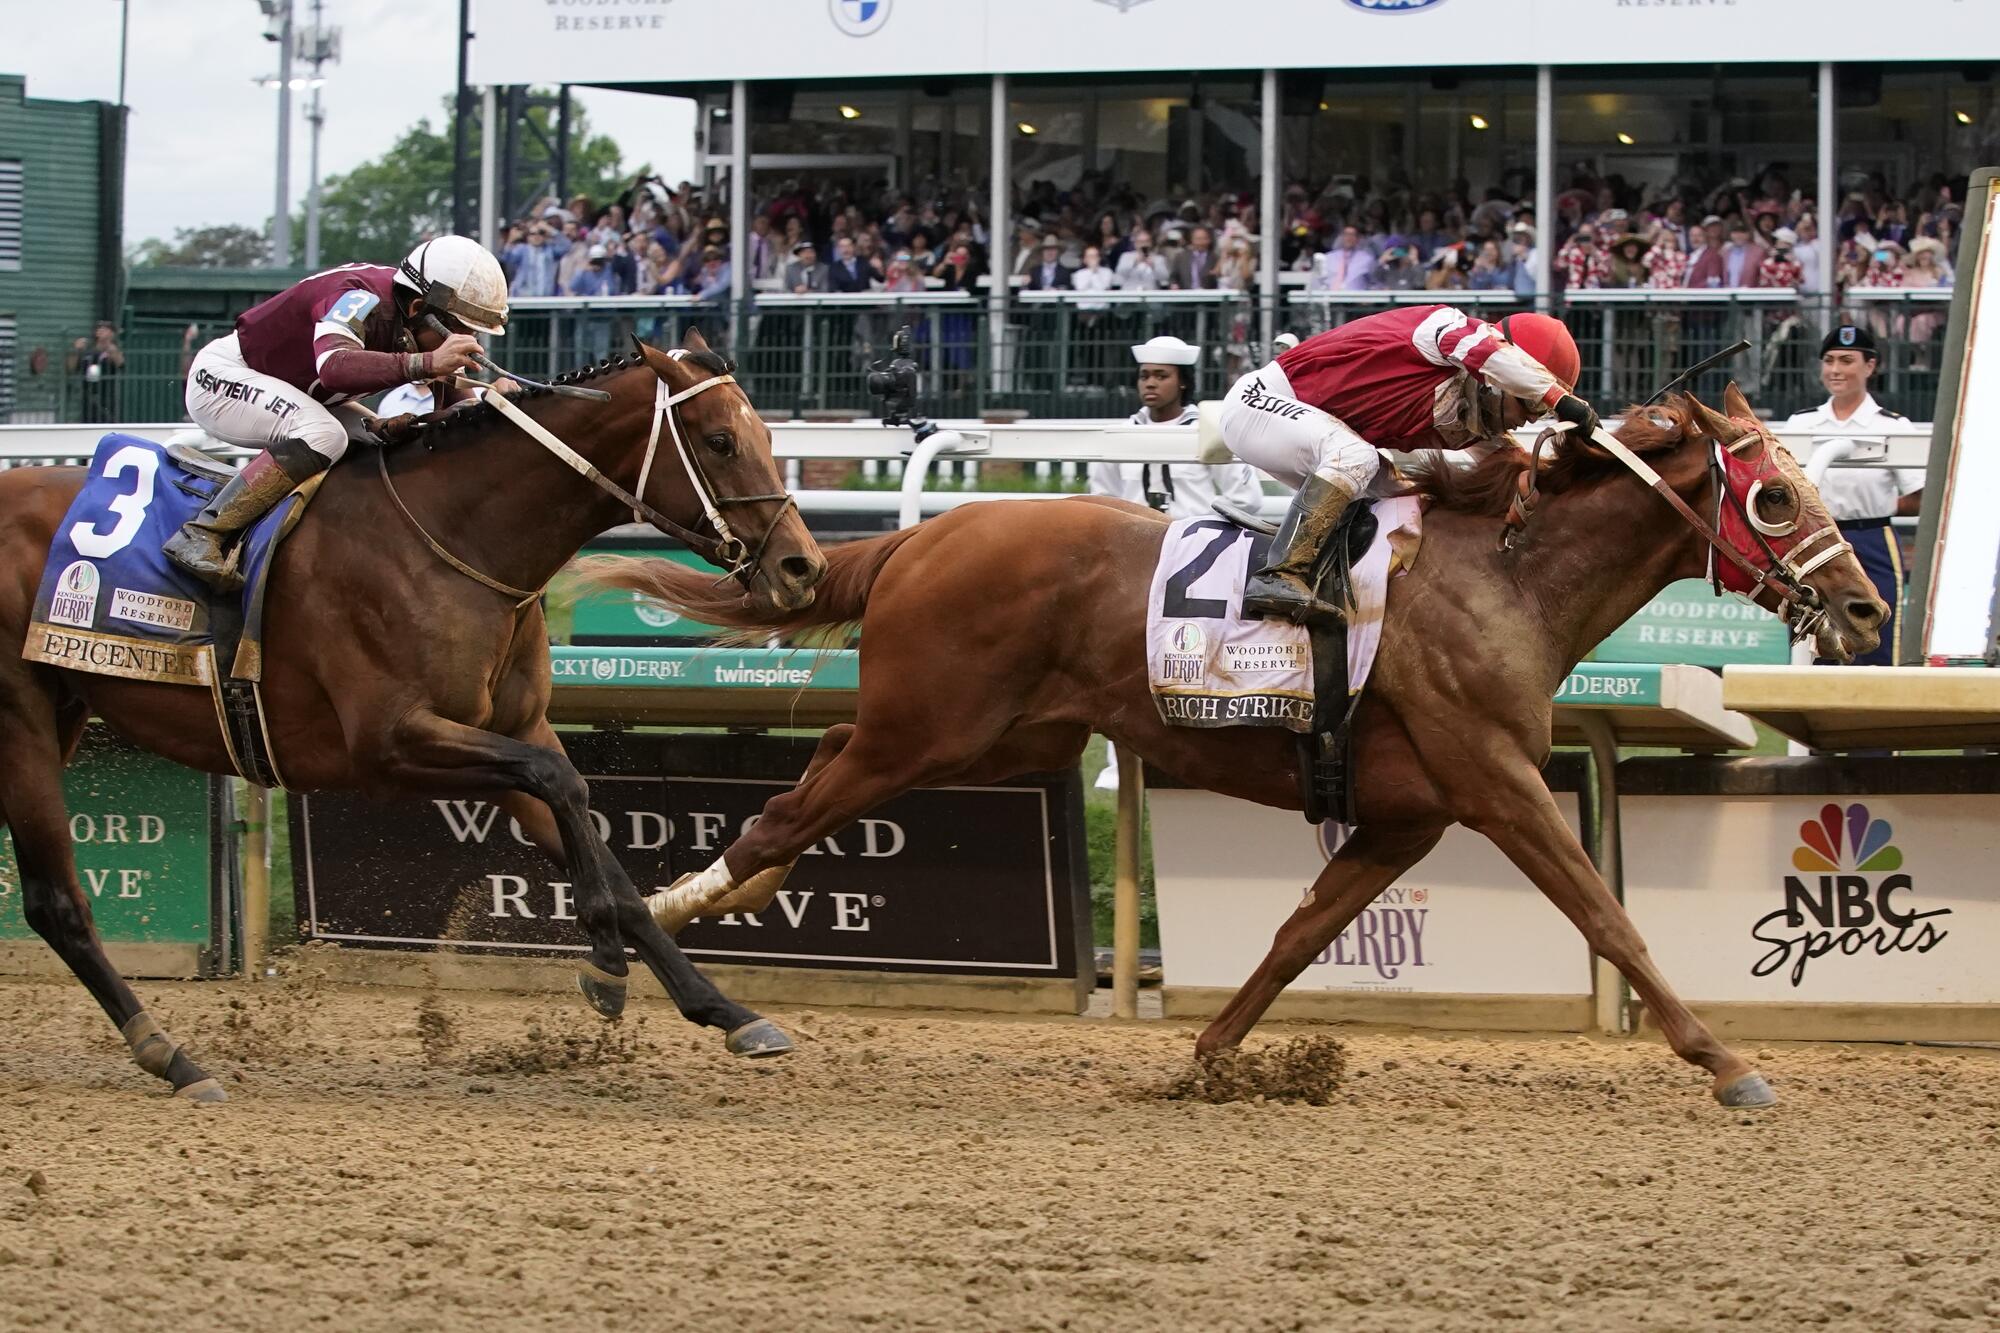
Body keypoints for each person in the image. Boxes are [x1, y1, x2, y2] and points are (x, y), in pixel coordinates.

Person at [164, 235, 508, 590]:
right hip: (224, 378)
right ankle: (202, 533)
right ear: (419, 308)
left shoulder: (418, 319)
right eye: (460, 328)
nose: (466, 339)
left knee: (383, 440)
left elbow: (455, 408)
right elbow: (334, 366)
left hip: (297, 393)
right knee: (326, 436)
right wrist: (427, 363)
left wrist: (495, 407)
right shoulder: (359, 296)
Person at [1220, 306, 1594, 623]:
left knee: (1408, 499)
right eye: (1530, 404)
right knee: (1357, 457)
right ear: (1499, 376)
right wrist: (1560, 399)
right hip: (1259, 403)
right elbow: (1489, 352)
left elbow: (1513, 463)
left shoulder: (1472, 411)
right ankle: (1280, 574)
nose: (1531, 419)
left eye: (1542, 412)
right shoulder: (1446, 329)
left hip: (1301, 424)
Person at [1782, 325, 1921, 667]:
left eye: (1847, 360)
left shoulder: (1893, 425)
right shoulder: (1802, 424)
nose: (1835, 370)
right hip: (1812, 545)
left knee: (1879, 637)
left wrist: (1879, 506)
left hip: (1871, 537)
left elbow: (1919, 496)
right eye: (1828, 361)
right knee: (1812, 638)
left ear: (1870, 366)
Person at [1088, 335, 1262, 523]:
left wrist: (1202, 526)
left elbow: (1246, 498)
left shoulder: (1206, 431)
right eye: (1144, 376)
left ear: (1183, 382)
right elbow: (1102, 497)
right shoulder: (1121, 434)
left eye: (1161, 376)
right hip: (1132, 542)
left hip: (1193, 542)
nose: (1150, 383)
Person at [69, 321, 124, 424]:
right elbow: (71, 368)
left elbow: (120, 363)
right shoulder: (88, 351)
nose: (101, 330)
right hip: (88, 396)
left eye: (105, 329)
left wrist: (108, 344)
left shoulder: (112, 350)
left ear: (112, 333)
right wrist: (76, 350)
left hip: (106, 397)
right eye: (99, 328)